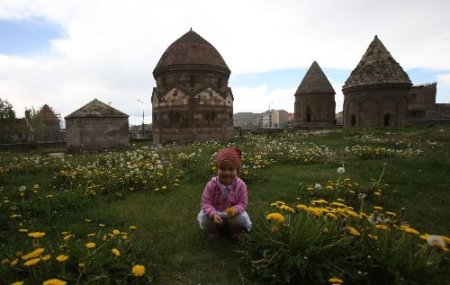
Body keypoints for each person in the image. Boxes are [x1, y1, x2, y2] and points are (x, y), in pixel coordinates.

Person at [197, 147, 252, 238]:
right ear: (217, 169)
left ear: (237, 171)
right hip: (216, 212)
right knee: (203, 217)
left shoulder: (241, 185)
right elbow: (206, 202)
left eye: (231, 169)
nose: (226, 172)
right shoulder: (211, 184)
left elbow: (243, 203)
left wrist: (235, 210)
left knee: (241, 219)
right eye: (222, 169)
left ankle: (234, 228)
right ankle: (214, 228)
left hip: (232, 214)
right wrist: (213, 214)